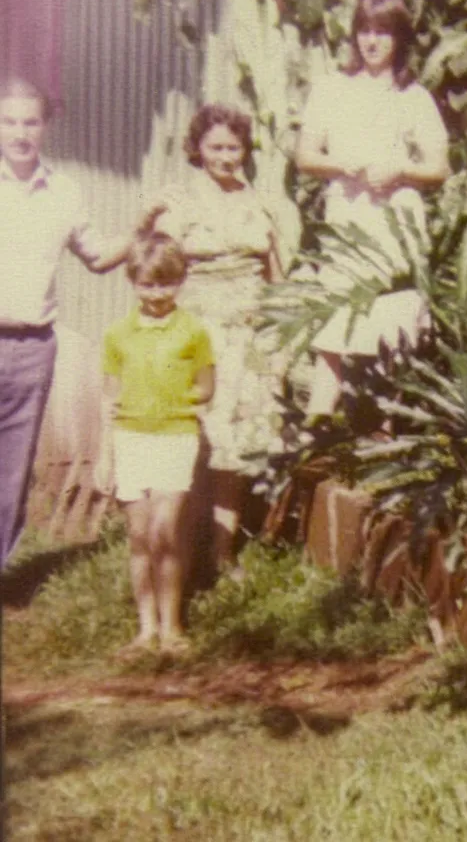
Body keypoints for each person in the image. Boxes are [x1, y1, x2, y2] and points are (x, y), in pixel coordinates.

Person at [0, 76, 148, 568]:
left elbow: (100, 255)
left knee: (12, 475)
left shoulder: (63, 192)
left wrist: (143, 224)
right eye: (9, 121)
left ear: (46, 126)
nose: (20, 133)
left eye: (30, 122)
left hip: (32, 348)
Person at [295, 0, 451, 414]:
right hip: (348, 221)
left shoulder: (413, 97)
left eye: (383, 31)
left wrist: (402, 171)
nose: (372, 41)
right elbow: (305, 156)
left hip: (395, 225)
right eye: (364, 30)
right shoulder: (332, 89)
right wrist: (339, 164)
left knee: (392, 337)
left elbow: (439, 167)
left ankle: (383, 443)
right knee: (333, 338)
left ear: (399, 38)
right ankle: (316, 440)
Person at [148, 104, 284, 572]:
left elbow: (277, 273)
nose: (227, 156)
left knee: (236, 446)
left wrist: (280, 338)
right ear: (198, 150)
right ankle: (180, 547)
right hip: (198, 332)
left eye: (234, 147)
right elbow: (158, 270)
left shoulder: (261, 201)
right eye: (216, 147)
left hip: (250, 333)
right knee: (193, 439)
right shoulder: (179, 202)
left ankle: (223, 552)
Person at [98, 233, 215, 655]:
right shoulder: (117, 334)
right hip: (130, 440)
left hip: (174, 438)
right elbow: (109, 399)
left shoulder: (194, 331)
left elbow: (206, 387)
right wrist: (105, 455)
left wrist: (174, 397)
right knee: (140, 535)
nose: (157, 293)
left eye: (166, 283)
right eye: (148, 284)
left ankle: (174, 627)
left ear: (180, 281)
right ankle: (146, 629)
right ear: (133, 282)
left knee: (166, 530)